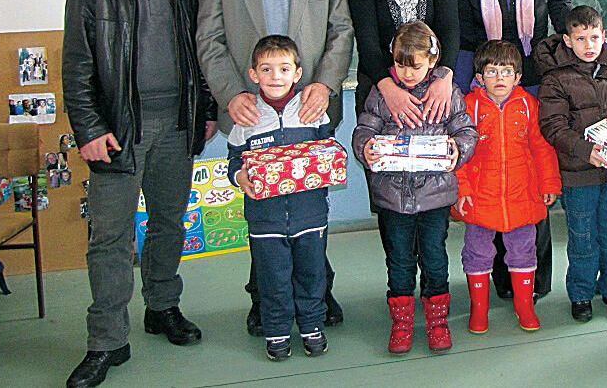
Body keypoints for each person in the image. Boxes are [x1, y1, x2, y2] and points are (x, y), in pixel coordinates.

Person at [62, 0, 217, 388]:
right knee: (110, 239)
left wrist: (207, 111)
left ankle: (163, 307)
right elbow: (77, 66)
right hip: (118, 132)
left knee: (170, 223)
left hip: (176, 125)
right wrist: (88, 129)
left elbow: (206, 51)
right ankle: (107, 340)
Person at [197, 0, 354, 337]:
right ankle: (264, 300)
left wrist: (324, 85)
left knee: (310, 209)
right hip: (251, 110)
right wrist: (229, 96)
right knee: (261, 209)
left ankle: (317, 292)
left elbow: (341, 30)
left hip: (309, 108)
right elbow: (210, 37)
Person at [454, 0, 607, 302]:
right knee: (493, 182)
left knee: (532, 184)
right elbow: (463, 41)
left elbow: (569, 23)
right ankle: (500, 278)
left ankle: (532, 281)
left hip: (535, 89)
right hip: (489, 91)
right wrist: (464, 96)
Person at [352, 21, 478, 354]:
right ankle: (402, 322)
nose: (407, 74)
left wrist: (457, 150)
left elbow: (466, 131)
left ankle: (437, 321)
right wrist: (366, 149)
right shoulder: (382, 94)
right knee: (399, 261)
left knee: (435, 258)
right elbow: (364, 129)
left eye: (416, 66)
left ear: (433, 61)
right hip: (393, 197)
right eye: (399, 64)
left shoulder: (447, 93)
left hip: (435, 196)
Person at [227, 36, 335, 362]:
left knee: (311, 274)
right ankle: (276, 331)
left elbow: (325, 154)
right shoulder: (246, 119)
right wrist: (240, 177)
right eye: (267, 69)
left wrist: (328, 167)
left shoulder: (312, 112)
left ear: (297, 73)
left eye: (284, 69)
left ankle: (312, 327)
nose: (276, 76)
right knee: (272, 278)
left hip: (309, 215)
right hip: (265, 219)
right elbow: (235, 161)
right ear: (253, 74)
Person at [536, 5, 607, 323]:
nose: (589, 45)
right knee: (582, 238)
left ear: (605, 37)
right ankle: (580, 294)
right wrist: (583, 150)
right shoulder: (556, 80)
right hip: (579, 176)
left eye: (595, 37)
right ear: (567, 40)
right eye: (581, 39)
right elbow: (553, 126)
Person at [453, 40, 561, 334]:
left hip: (522, 195)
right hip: (480, 196)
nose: (499, 78)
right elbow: (459, 155)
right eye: (491, 72)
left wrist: (548, 183)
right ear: (478, 77)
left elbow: (542, 148)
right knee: (476, 252)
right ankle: (479, 309)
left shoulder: (528, 105)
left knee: (524, 251)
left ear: (518, 77)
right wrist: (461, 190)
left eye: (506, 72)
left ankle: (524, 306)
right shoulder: (468, 107)